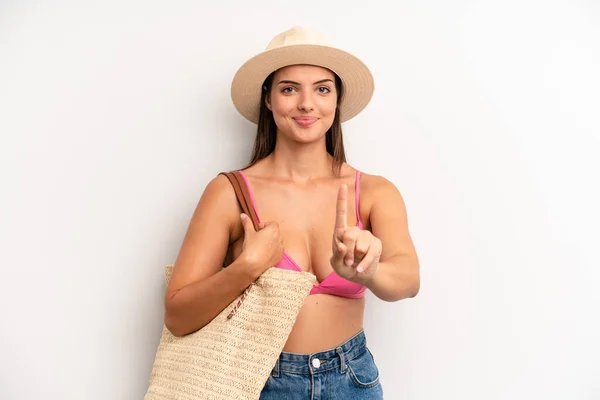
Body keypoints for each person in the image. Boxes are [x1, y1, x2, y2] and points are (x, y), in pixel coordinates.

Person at [163, 26, 420, 399]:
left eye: (322, 88)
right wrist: (247, 266)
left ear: (336, 101)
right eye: (288, 89)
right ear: (267, 99)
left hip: (353, 381)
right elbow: (178, 316)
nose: (306, 104)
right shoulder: (229, 193)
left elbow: (409, 281)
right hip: (261, 382)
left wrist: (369, 270)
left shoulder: (375, 191)